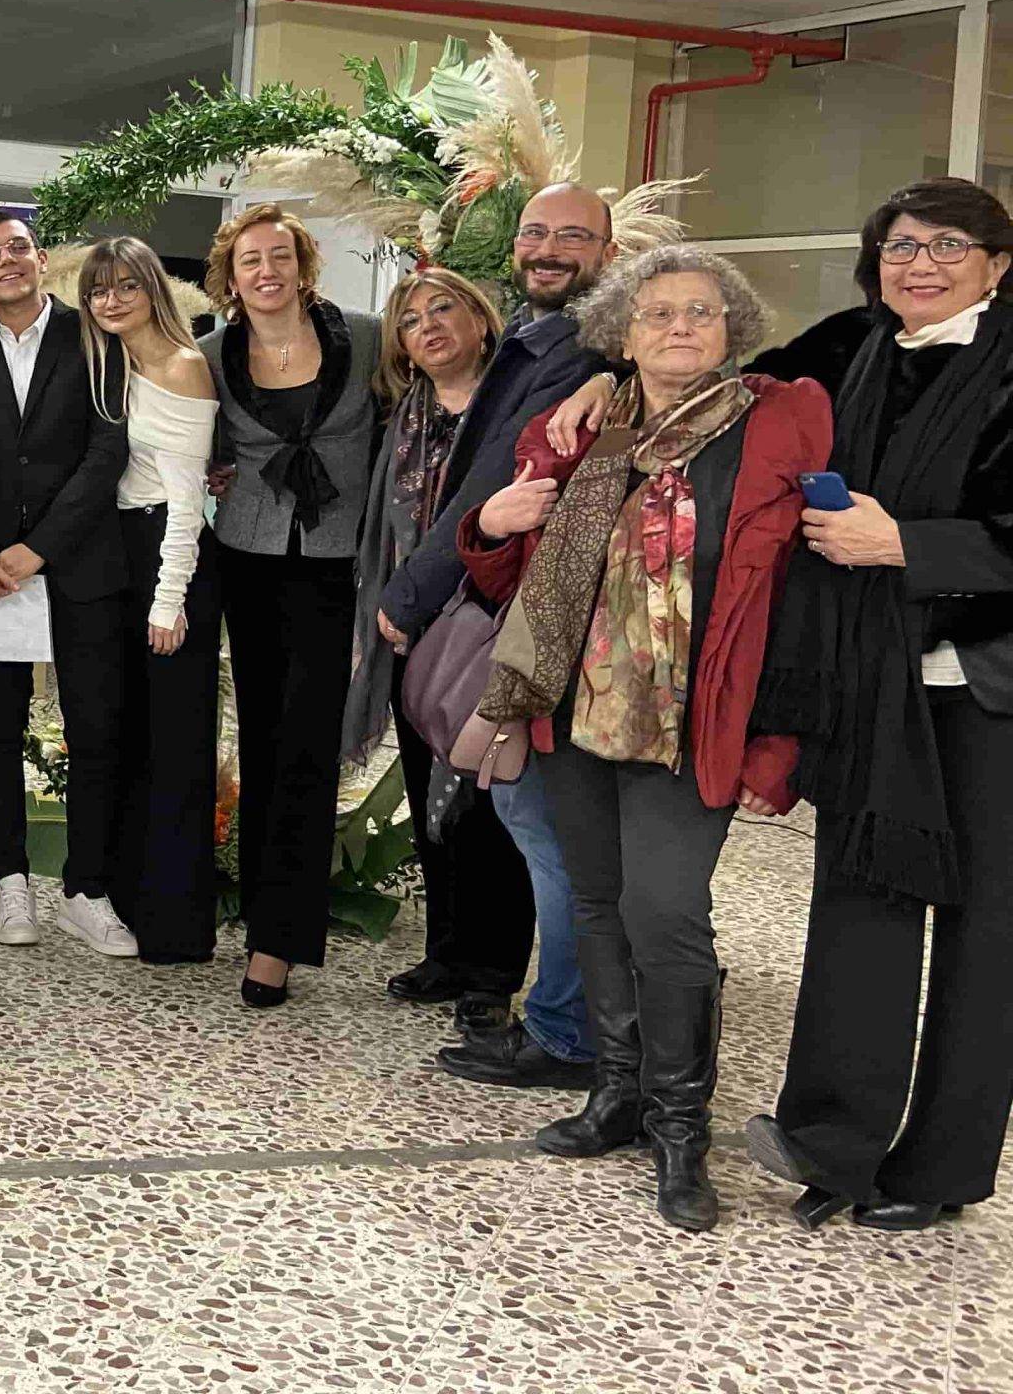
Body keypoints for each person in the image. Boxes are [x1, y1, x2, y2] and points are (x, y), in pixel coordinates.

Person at [456, 245, 824, 1232]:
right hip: (573, 707)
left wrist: (781, 742)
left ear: (733, 331)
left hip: (695, 719)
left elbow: (805, 598)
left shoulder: (776, 420)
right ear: (623, 335)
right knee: (598, 904)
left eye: (700, 312)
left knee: (667, 917)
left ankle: (678, 1129)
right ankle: (615, 1094)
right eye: (657, 313)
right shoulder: (581, 430)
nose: (678, 328)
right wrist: (490, 523)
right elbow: (511, 578)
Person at [747, 178, 1013, 1232]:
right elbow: (737, 382)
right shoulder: (855, 345)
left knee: (983, 931)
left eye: (950, 246)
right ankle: (833, 1142)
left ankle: (941, 1169)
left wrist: (905, 544)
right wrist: (599, 378)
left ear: (997, 265)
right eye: (902, 246)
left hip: (985, 686)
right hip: (869, 676)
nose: (921, 264)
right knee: (859, 904)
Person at [389, 186, 618, 1083]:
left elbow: (495, 478)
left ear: (609, 252)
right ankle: (533, 1002)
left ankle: (557, 1026)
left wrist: (415, 588)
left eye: (573, 236)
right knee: (503, 805)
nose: (548, 248)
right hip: (496, 597)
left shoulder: (596, 347)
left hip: (547, 621)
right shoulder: (540, 338)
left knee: (531, 824)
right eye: (535, 232)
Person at [339, 268, 540, 1035]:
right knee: (432, 795)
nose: (427, 325)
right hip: (414, 631)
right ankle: (446, 953)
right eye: (410, 318)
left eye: (443, 307)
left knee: (491, 800)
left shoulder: (516, 414)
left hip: (493, 628)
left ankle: (493, 973)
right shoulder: (405, 417)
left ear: (481, 321)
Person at [198, 204, 381, 1006]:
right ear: (230, 279)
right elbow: (199, 446)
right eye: (250, 261)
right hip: (250, 559)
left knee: (310, 744)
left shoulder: (368, 339)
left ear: (305, 268)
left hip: (341, 564)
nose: (266, 271)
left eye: (280, 256)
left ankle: (278, 942)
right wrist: (214, 472)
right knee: (265, 742)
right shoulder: (212, 354)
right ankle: (266, 920)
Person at [0, 211, 135, 956]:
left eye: (17, 247)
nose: (6, 261)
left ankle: (87, 890)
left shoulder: (95, 339)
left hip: (82, 562)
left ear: (42, 258)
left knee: (95, 726)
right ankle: (9, 880)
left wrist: (40, 549)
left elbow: (107, 452)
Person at [79, 236, 222, 965]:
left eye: (127, 285)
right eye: (99, 289)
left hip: (173, 557)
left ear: (153, 289)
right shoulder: (111, 364)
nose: (112, 300)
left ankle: (175, 925)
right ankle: (131, 901)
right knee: (132, 736)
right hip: (126, 552)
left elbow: (187, 498)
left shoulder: (183, 365)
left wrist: (169, 600)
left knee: (176, 744)